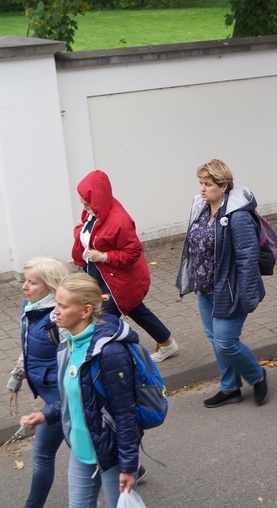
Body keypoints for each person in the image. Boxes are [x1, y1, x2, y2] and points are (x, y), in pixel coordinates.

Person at [19, 273, 143, 508]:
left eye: (62, 306)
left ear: (86, 311)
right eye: (56, 303)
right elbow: (78, 397)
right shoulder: (68, 344)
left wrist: (127, 465)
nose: (54, 311)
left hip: (110, 454)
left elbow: (125, 413)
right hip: (81, 449)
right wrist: (46, 414)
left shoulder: (110, 353)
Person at [176, 159, 268, 408]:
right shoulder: (203, 208)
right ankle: (230, 388)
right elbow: (192, 248)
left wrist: (247, 296)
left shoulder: (237, 216)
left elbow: (248, 258)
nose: (202, 189)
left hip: (230, 290)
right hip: (205, 288)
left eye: (208, 184)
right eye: (201, 183)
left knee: (226, 342)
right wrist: (185, 280)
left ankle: (257, 375)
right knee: (215, 338)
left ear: (224, 186)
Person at [73, 170, 180, 363]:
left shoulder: (119, 221)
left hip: (118, 282)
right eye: (82, 202)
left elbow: (132, 253)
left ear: (96, 198)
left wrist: (103, 256)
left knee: (100, 321)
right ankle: (167, 343)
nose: (84, 206)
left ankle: (100, 359)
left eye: (86, 202)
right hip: (105, 278)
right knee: (135, 309)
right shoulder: (94, 211)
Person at [7, 257, 71, 508]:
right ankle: (130, 468)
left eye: (32, 282)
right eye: (25, 280)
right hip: (50, 394)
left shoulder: (59, 319)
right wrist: (18, 374)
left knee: (43, 454)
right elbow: (28, 347)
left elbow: (75, 365)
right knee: (90, 449)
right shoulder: (30, 307)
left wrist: (52, 409)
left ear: (52, 286)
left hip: (61, 398)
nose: (24, 286)